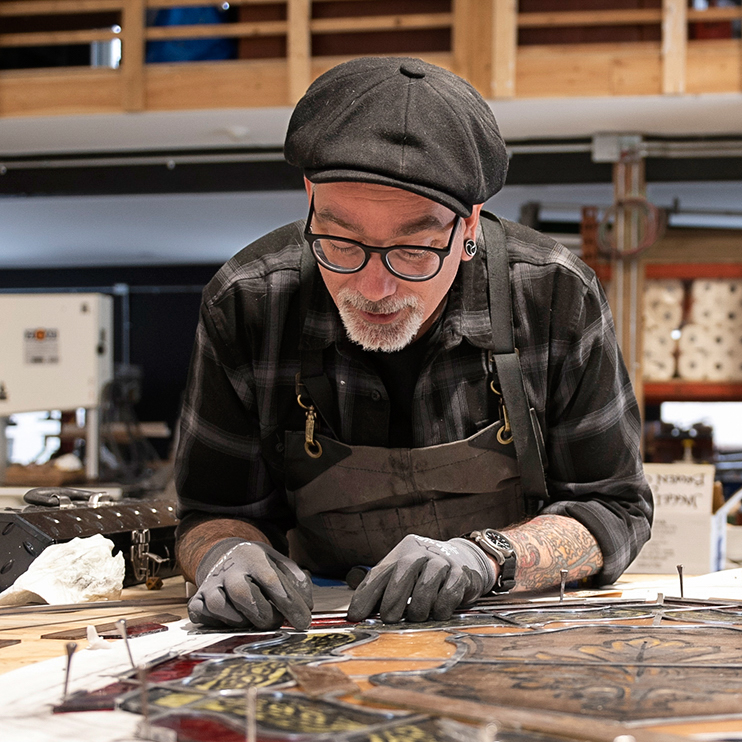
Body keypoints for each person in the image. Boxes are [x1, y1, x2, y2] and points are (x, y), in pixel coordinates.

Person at [173, 57, 652, 630]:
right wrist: (222, 554)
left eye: (413, 251)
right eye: (342, 242)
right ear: (309, 199)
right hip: (319, 639)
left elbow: (614, 508)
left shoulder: (553, 296)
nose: (374, 288)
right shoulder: (249, 303)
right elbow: (213, 513)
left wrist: (487, 558)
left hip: (505, 637)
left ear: (469, 225)